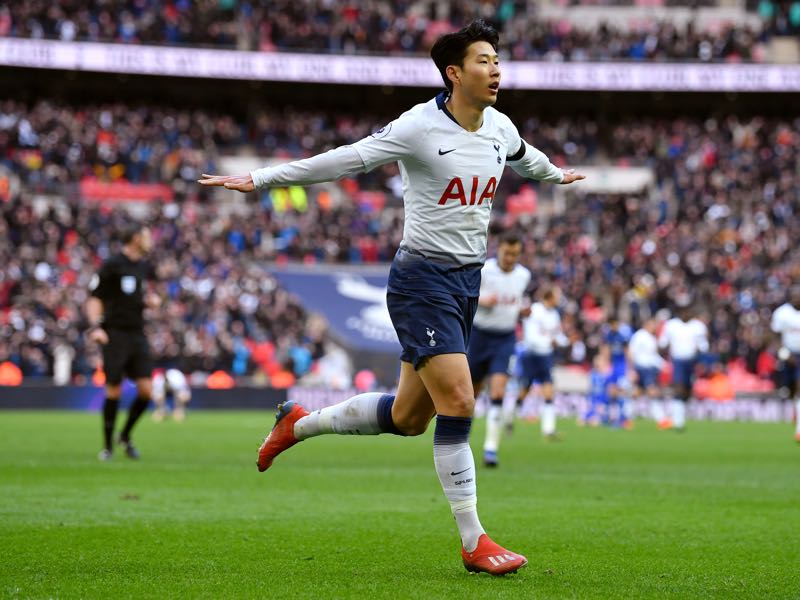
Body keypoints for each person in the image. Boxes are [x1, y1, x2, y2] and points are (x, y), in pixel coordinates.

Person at [199, 19, 584, 575]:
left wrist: (555, 175)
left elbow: (526, 156)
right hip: (421, 280)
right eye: (484, 60)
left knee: (408, 419)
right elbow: (347, 158)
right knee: (460, 401)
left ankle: (297, 423)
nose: (496, 68)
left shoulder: (499, 126)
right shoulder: (418, 127)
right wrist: (260, 179)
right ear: (454, 73)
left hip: (466, 283)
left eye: (497, 59)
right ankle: (475, 542)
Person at [86, 224, 159, 460]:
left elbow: (133, 297)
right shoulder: (113, 265)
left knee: (147, 391)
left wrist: (148, 302)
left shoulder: (142, 267)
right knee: (114, 388)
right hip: (115, 333)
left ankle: (125, 435)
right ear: (136, 238)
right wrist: (96, 327)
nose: (150, 240)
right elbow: (95, 297)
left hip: (137, 333)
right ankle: (107, 447)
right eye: (147, 236)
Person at [465, 232, 531, 468]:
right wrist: (482, 300)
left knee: (498, 391)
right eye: (507, 253)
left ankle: (491, 448)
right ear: (498, 250)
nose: (510, 258)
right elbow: (465, 296)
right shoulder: (484, 271)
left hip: (505, 338)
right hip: (479, 336)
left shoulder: (524, 275)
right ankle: (461, 443)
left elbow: (516, 301)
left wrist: (523, 310)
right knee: (469, 395)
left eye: (515, 254)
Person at [516, 287, 569, 440]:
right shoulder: (534, 310)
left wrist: (565, 341)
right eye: (557, 295)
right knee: (525, 388)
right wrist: (550, 341)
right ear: (549, 296)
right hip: (531, 355)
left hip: (545, 356)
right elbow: (531, 338)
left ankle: (548, 429)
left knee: (549, 390)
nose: (559, 298)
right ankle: (510, 416)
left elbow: (557, 335)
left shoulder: (554, 314)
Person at [658, 306, 709, 432]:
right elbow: (663, 343)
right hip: (678, 360)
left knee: (687, 389)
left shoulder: (698, 326)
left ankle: (679, 413)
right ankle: (678, 421)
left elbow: (703, 346)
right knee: (679, 387)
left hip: (692, 361)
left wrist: (702, 359)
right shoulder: (671, 325)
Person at [770, 286, 800, 443]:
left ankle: (799, 430)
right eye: (795, 295)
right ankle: (796, 409)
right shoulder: (782, 313)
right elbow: (774, 334)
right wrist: (783, 353)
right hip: (787, 354)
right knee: (789, 390)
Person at [629, 318, 668, 428]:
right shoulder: (639, 336)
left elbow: (653, 356)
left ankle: (626, 416)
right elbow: (631, 352)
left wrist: (663, 365)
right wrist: (632, 369)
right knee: (652, 391)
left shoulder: (652, 338)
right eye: (653, 325)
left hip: (650, 368)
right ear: (647, 324)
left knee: (637, 392)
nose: (654, 327)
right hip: (642, 368)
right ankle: (661, 419)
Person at [602, 315, 633, 429]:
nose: (614, 326)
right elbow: (607, 350)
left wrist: (630, 368)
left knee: (621, 390)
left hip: (621, 366)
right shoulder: (610, 335)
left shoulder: (622, 336)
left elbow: (627, 351)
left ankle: (622, 418)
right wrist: (605, 364)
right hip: (614, 366)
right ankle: (610, 417)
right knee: (611, 390)